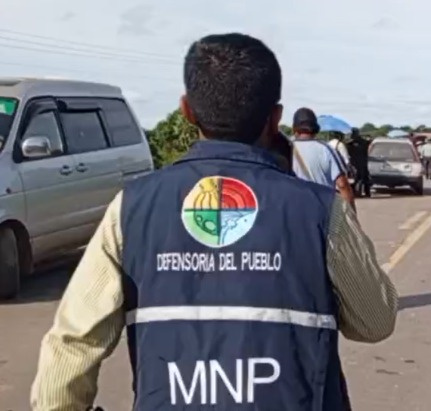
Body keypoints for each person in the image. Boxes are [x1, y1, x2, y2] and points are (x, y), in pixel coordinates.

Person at [31, 33, 398, 411]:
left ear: (186, 111)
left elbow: (72, 344)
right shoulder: (320, 210)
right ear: (274, 119)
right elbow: (375, 321)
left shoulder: (132, 207)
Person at [291, 107, 356, 210]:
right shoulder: (327, 150)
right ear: (315, 128)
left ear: (294, 128)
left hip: (293, 212)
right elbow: (342, 184)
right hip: (322, 212)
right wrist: (351, 217)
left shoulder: (285, 149)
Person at [348, 128, 372, 198]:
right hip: (363, 163)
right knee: (364, 178)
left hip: (354, 164)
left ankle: (355, 193)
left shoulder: (350, 144)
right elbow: (369, 143)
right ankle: (367, 193)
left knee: (355, 179)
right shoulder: (364, 142)